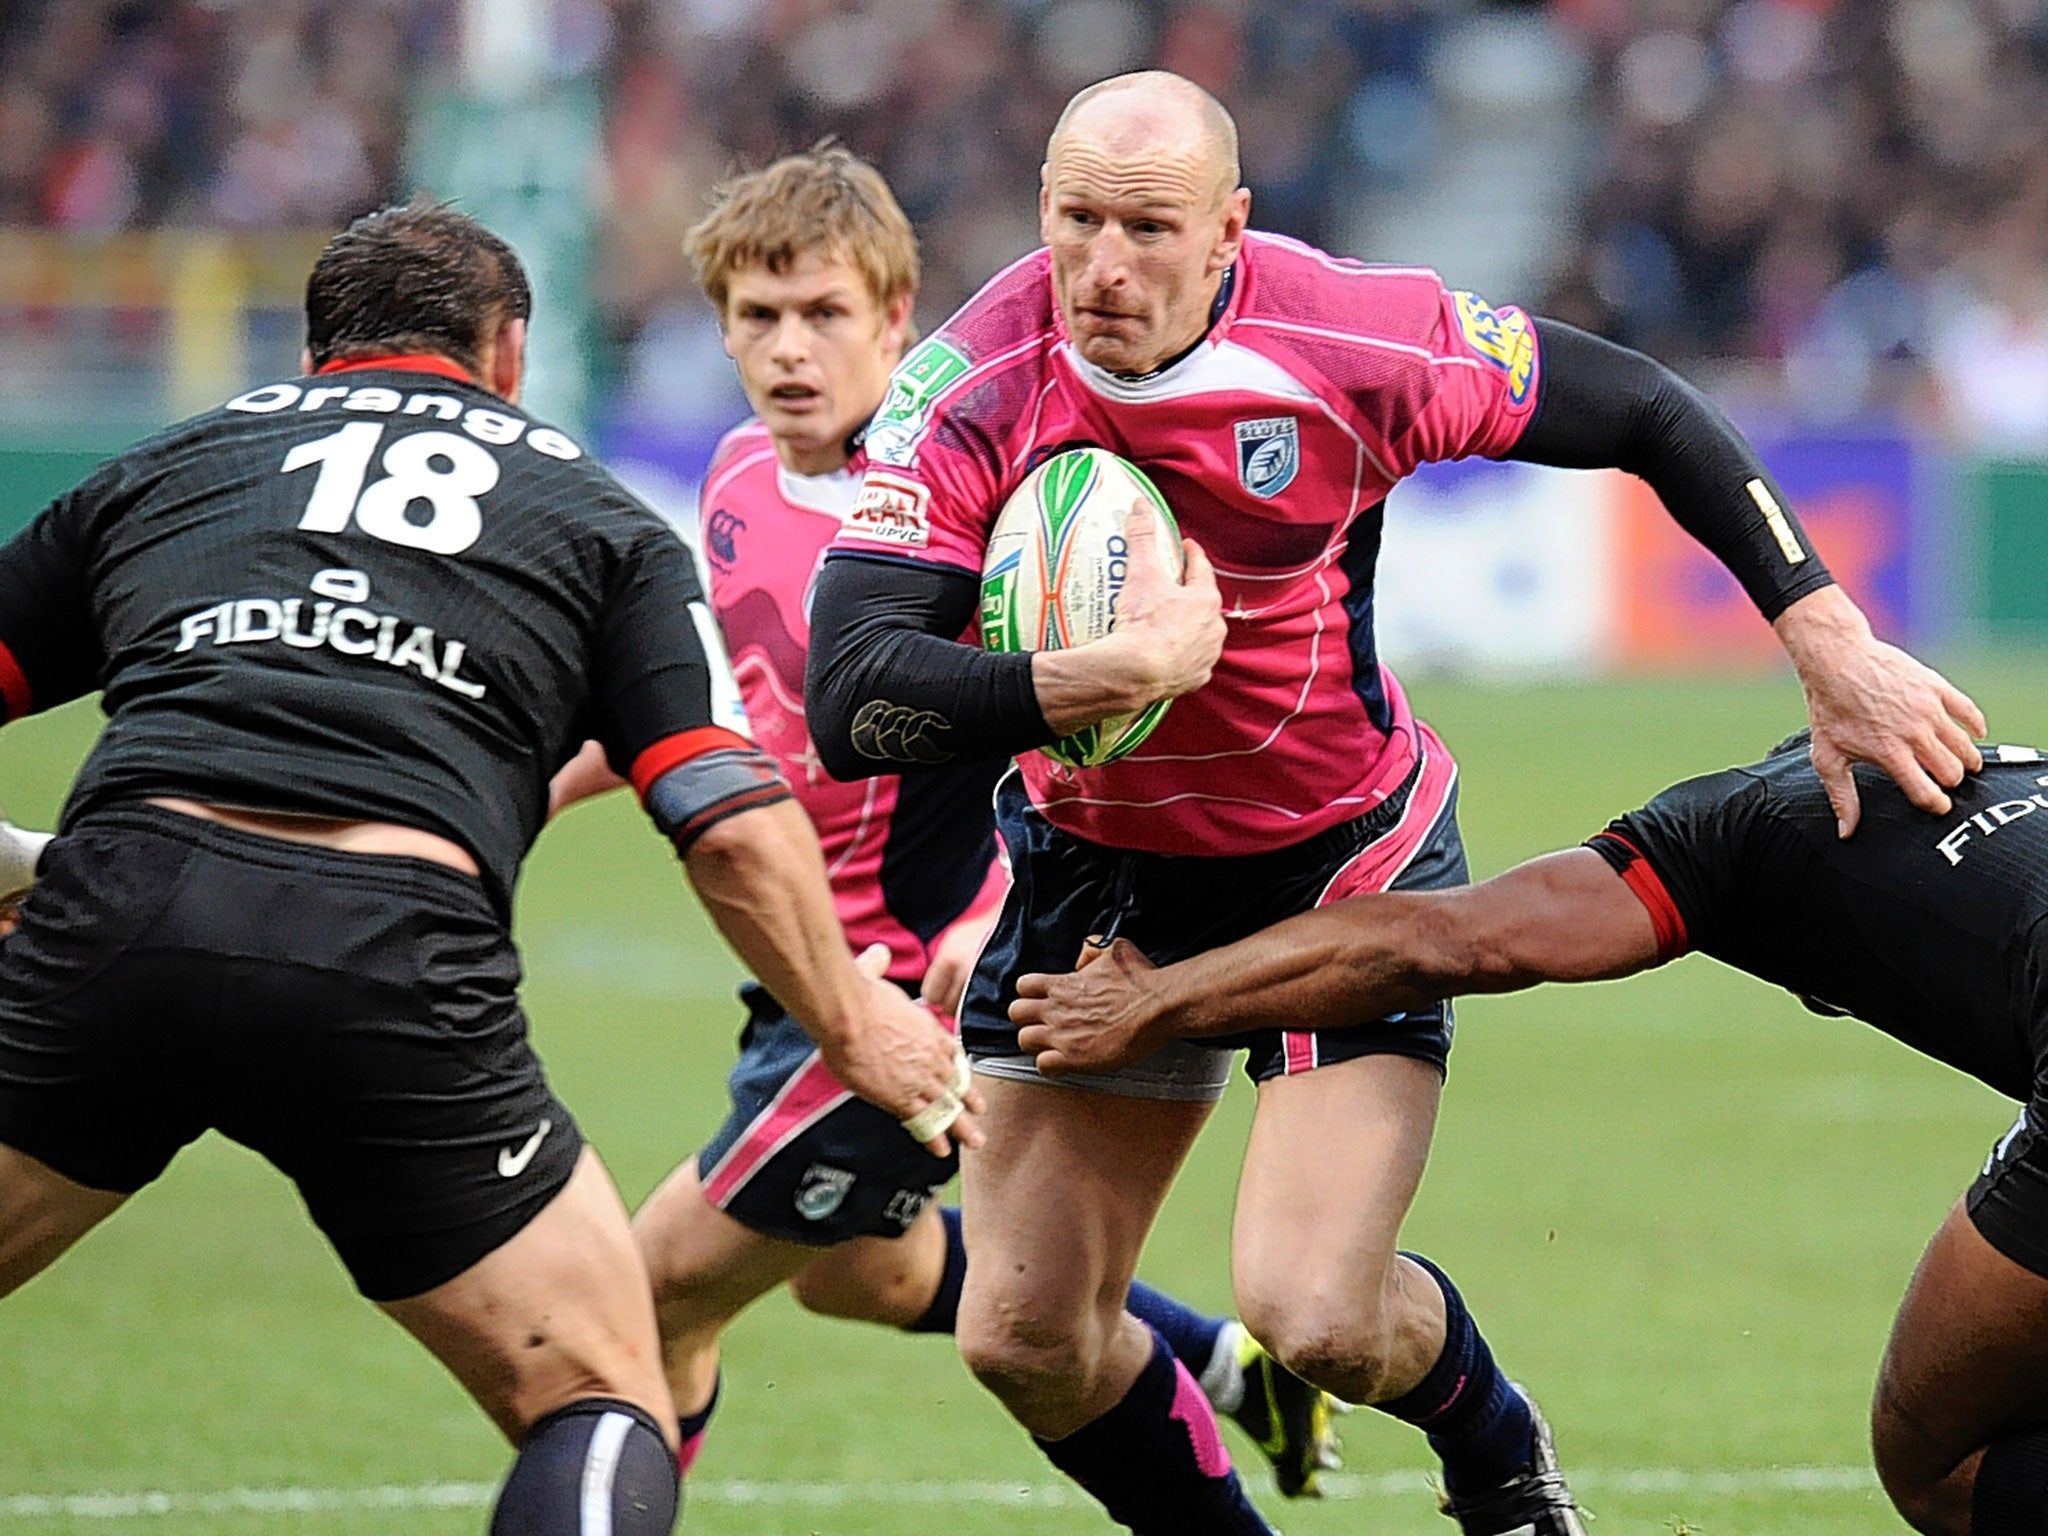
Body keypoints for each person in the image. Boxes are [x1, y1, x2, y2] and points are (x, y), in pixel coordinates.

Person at [801, 69, 1986, 1536]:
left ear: (1230, 227)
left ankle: (1493, 1445)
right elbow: (850, 701)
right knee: (1024, 1336)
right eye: (1077, 220)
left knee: (1317, 1319)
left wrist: (1824, 632)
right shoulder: (972, 382)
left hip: (1341, 862)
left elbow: (1651, 409)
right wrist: (1099, 675)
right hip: (1094, 873)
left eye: (1150, 228)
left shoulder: (1356, 337)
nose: (1104, 267)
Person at [0, 199, 977, 1535]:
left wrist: (19, 860)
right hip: (388, 954)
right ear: (510, 354)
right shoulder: (598, 517)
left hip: (117, 913)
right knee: (603, 1399)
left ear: (314, 352)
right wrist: (857, 1022)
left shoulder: (176, 463)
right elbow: (726, 818)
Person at [550, 144, 1344, 1501]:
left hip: (911, 989)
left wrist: (989, 914)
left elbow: (1069, 731)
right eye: (757, 317)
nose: (789, 351)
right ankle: (1224, 1369)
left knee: (649, 1296)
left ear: (898, 320)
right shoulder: (738, 475)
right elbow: (734, 714)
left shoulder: (973, 516)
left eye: (825, 316)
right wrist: (525, 789)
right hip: (797, 973)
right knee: (869, 1276)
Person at [1010, 730, 2048, 1536]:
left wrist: (1159, 1003)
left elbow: (1444, 937)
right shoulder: (2008, 778)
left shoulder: (1738, 834)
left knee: (1936, 1462)